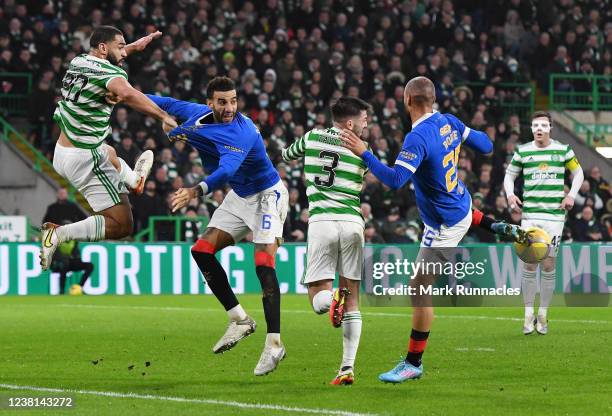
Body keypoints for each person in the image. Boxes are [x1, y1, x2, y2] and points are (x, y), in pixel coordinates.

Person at [340, 76, 520, 383]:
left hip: (444, 224)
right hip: (462, 203)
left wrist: (364, 152)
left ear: (408, 100)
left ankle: (413, 362)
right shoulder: (448, 121)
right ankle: (494, 225)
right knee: (457, 210)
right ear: (433, 99)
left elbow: (396, 180)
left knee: (418, 288)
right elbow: (488, 146)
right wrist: (461, 136)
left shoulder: (418, 137)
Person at [146, 76, 289, 376]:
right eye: (223, 102)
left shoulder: (242, 131)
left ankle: (274, 343)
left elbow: (226, 171)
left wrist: (194, 191)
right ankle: (239, 319)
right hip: (241, 196)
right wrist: (122, 94)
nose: (229, 107)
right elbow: (165, 102)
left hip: (267, 194)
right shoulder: (198, 113)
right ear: (210, 102)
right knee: (201, 251)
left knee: (263, 264)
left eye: (234, 101)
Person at [40, 25, 178, 270]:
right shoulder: (109, 73)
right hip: (84, 158)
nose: (124, 52)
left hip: (62, 151)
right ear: (103, 48)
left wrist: (136, 45)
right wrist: (163, 116)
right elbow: (127, 93)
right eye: (121, 47)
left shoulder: (79, 61)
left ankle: (134, 180)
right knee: (123, 224)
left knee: (110, 152)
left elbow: (109, 62)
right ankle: (58, 234)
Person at [281, 96, 370, 385]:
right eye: (363, 119)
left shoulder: (312, 136)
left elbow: (286, 155)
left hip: (321, 221)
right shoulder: (362, 150)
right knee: (353, 300)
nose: (366, 123)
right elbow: (365, 176)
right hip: (353, 222)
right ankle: (347, 368)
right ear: (349, 123)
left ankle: (333, 297)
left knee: (317, 297)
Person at [504, 111, 584, 335]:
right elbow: (509, 176)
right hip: (530, 216)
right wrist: (510, 195)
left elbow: (579, 174)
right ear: (531, 129)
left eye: (544, 125)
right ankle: (528, 315)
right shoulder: (523, 151)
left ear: (550, 128)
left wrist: (571, 196)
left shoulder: (563, 149)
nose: (539, 129)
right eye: (535, 125)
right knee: (529, 264)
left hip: (555, 217)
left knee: (549, 264)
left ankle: (544, 314)